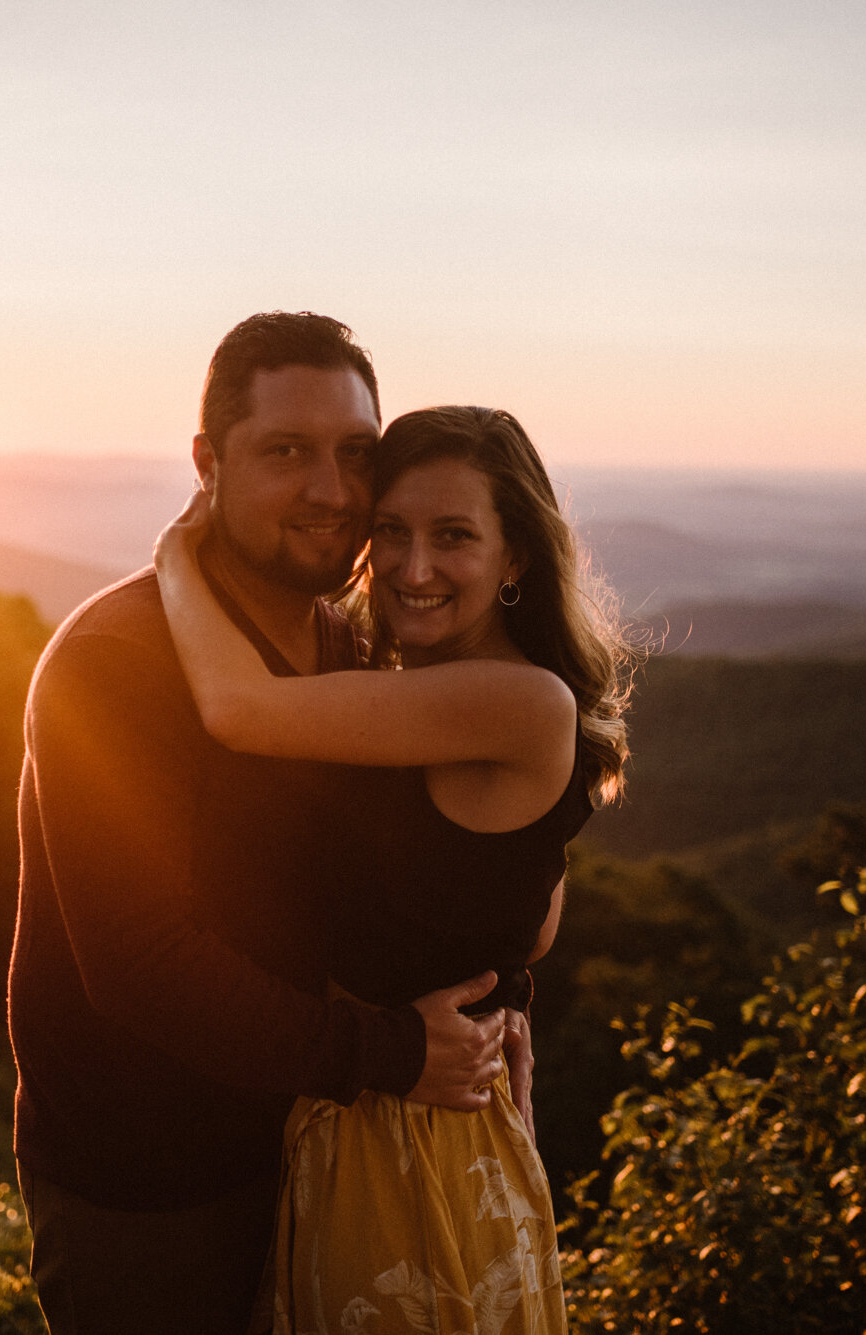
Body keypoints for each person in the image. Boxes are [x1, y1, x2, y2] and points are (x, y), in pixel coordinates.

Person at [8, 314, 518, 1335]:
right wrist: (386, 1054)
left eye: (354, 454)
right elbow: (140, 963)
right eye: (286, 452)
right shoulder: (114, 664)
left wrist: (503, 1001)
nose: (330, 490)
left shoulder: (342, 648)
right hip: (150, 1192)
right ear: (208, 462)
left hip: (315, 1147)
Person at [154, 404, 632, 1335]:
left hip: (416, 1151)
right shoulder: (431, 700)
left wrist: (176, 556)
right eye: (392, 533)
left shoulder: (523, 703)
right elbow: (526, 920)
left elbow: (237, 708)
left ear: (517, 556)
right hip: (402, 1121)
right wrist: (507, 1009)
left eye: (453, 536)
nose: (413, 569)